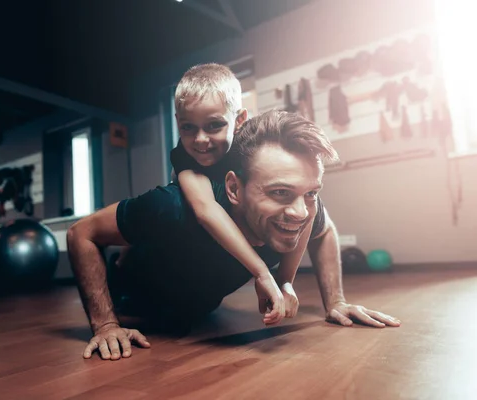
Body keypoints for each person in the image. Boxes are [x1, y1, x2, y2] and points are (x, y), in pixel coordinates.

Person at [66, 109, 401, 361]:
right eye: (281, 192)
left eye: (310, 193)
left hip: (197, 312)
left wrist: (336, 301)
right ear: (233, 188)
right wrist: (106, 325)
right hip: (136, 306)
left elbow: (324, 228)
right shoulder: (171, 207)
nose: (300, 211)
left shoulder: (301, 212)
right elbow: (81, 233)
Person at [123, 63, 301, 327]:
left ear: (239, 121)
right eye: (188, 128)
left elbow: (310, 204)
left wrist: (285, 281)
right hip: (163, 251)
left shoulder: (251, 149)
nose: (201, 140)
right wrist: (262, 273)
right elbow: (205, 209)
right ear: (178, 124)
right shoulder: (185, 156)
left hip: (202, 287)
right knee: (142, 241)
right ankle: (124, 258)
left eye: (214, 125)